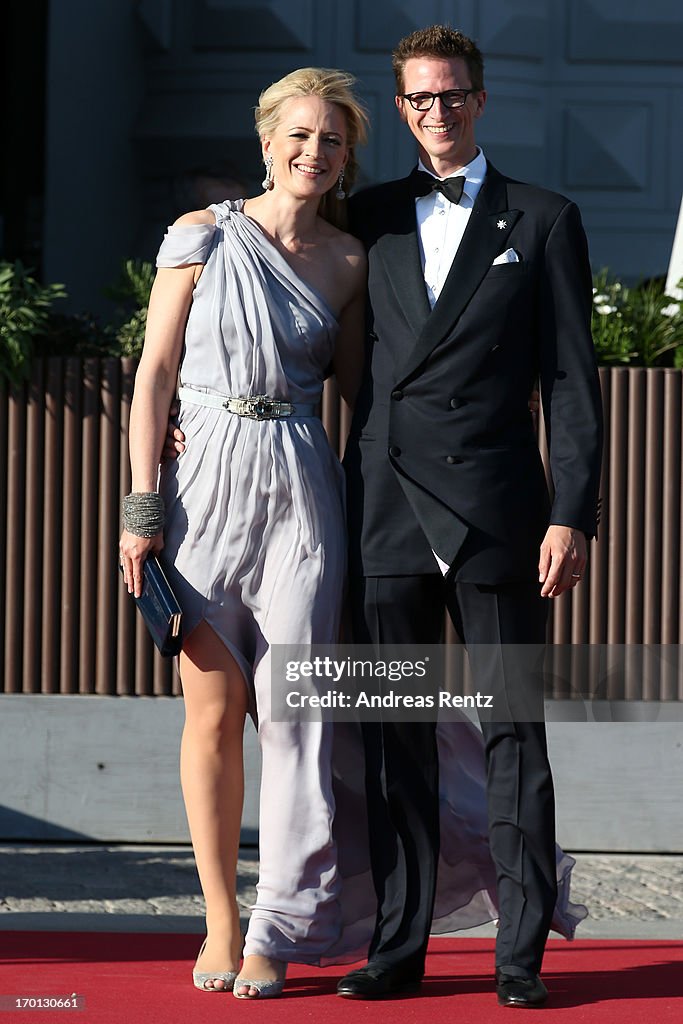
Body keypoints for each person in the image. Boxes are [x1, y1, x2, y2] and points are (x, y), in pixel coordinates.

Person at [335, 25, 603, 1008]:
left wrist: (570, 512)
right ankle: (396, 945)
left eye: (449, 96)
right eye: (416, 99)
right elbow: (289, 312)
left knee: (511, 732)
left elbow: (572, 384)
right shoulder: (363, 215)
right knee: (392, 733)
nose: (434, 113)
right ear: (398, 107)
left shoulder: (543, 217)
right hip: (386, 508)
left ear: (478, 100)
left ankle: (518, 952)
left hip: (498, 514)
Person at [119, 67, 368, 999]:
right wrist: (142, 511)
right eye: (298, 134)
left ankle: (279, 926)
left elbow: (361, 398)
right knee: (213, 717)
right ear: (266, 142)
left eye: (332, 140)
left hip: (302, 491)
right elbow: (153, 374)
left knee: (299, 721)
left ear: (347, 159)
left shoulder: (350, 262)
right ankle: (222, 919)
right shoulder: (202, 235)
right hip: (200, 493)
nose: (313, 151)